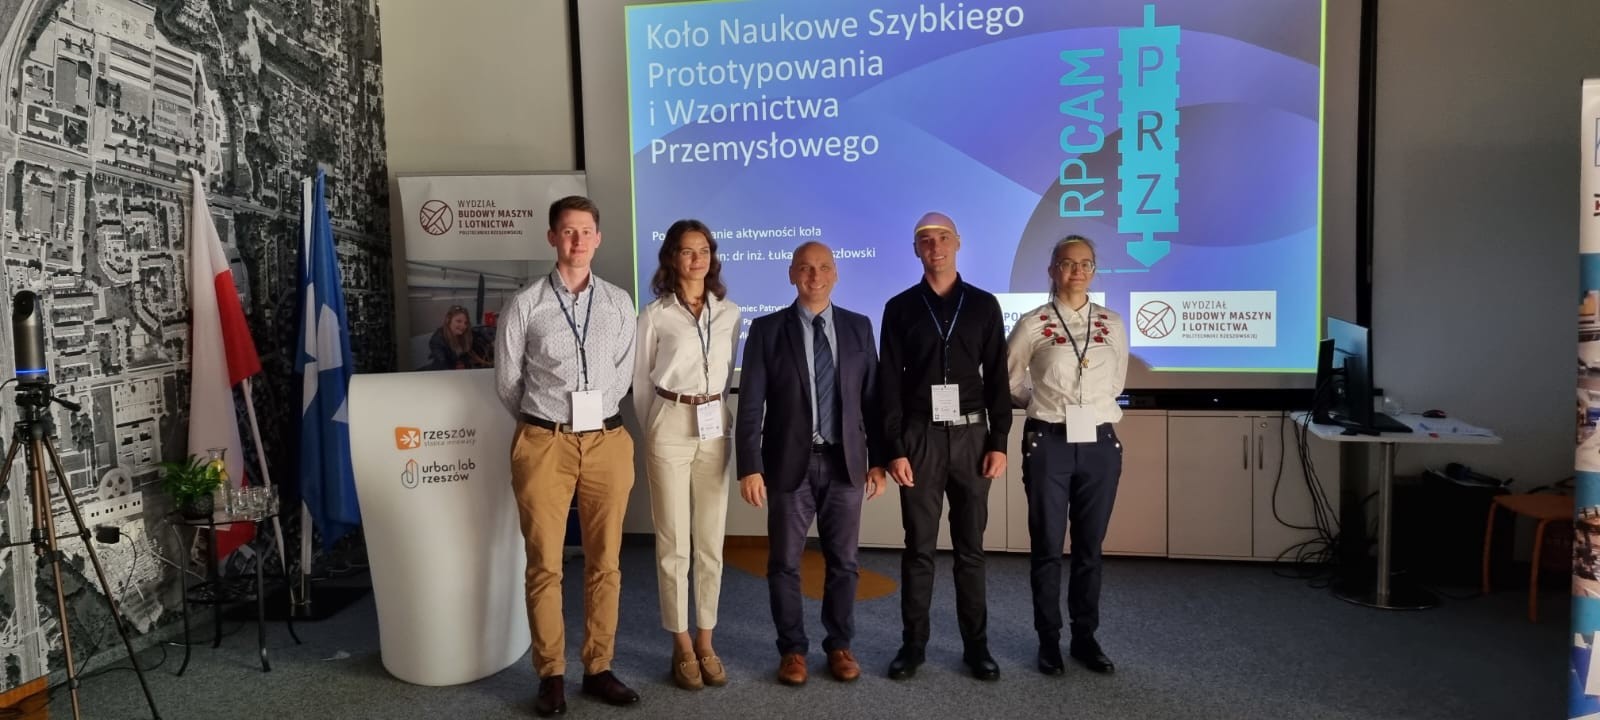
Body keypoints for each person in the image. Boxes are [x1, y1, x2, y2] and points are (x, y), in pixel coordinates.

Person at [495, 195, 640, 716]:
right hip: (544, 441)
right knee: (545, 564)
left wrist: (591, 418)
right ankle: (551, 673)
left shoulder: (619, 302)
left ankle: (598, 667)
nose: (577, 240)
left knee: (606, 563)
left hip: (606, 441)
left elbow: (623, 374)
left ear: (598, 238)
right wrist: (547, 420)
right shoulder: (525, 303)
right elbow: (508, 381)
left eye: (586, 231)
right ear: (552, 237)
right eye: (568, 231)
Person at [736, 241, 887, 687]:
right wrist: (749, 465)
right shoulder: (767, 330)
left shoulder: (859, 327)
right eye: (805, 268)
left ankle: (839, 645)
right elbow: (751, 404)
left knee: (845, 562)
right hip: (788, 466)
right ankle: (793, 650)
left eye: (823, 267)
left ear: (836, 274)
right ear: (791, 274)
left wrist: (878, 461)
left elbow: (873, 400)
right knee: (784, 563)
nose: (814, 276)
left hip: (845, 464)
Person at [878, 212, 1010, 681]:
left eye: (942, 238)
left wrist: (999, 440)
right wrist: (894, 448)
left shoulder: (984, 305)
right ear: (916, 249)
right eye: (925, 240)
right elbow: (888, 383)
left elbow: (997, 378)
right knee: (919, 548)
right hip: (920, 438)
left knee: (971, 548)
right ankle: (913, 646)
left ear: (958, 243)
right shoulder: (899, 307)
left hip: (973, 438)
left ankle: (977, 647)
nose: (934, 246)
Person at [1004, 235, 1127, 676]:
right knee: (1048, 547)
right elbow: (1009, 379)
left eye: (1086, 264)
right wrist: (1040, 404)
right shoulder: (1033, 324)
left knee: (1090, 548)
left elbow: (1116, 382)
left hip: (1099, 445)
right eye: (1068, 263)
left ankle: (1085, 638)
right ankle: (1049, 640)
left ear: (1094, 270)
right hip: (1049, 443)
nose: (1077, 271)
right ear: (1053, 269)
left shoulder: (1112, 322)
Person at [631, 219, 741, 691]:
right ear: (672, 258)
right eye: (686, 251)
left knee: (711, 540)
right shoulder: (655, 315)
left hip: (714, 425)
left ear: (712, 257)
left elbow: (727, 374)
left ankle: (706, 640)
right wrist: (656, 426)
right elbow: (640, 383)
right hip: (669, 423)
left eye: (704, 251)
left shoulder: (730, 313)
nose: (696, 259)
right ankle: (680, 643)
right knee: (673, 541)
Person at [425, 305, 492, 370]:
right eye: (458, 321)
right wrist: (457, 367)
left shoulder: (464, 334)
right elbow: (443, 365)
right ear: (448, 320)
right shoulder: (437, 340)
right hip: (444, 372)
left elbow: (479, 331)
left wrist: (491, 341)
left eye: (465, 323)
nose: (463, 326)